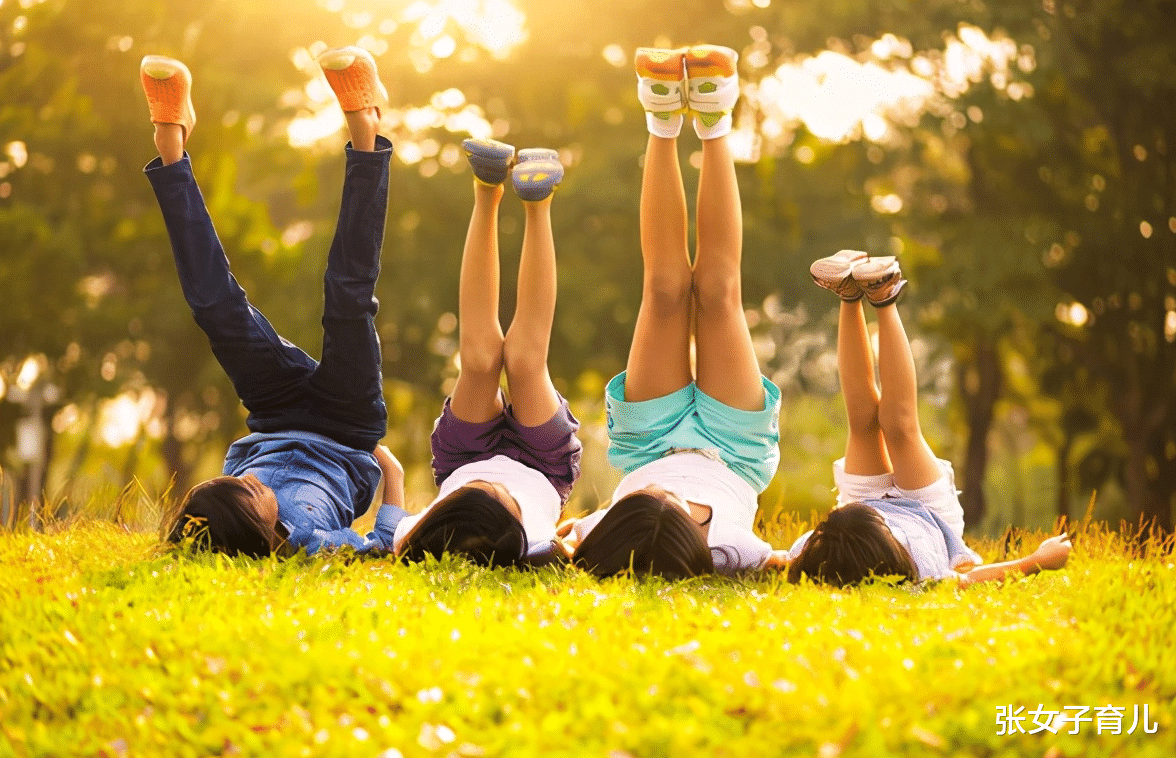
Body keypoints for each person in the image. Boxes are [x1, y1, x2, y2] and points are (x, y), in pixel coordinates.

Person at [147, 47, 407, 556]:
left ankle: (171, 146)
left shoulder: (214, 522)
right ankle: (367, 133)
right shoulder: (308, 544)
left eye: (238, 484)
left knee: (216, 310)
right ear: (260, 524)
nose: (250, 482)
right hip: (349, 425)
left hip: (273, 413)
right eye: (249, 492)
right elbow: (380, 545)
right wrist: (391, 471)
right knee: (347, 299)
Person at [563, 45, 786, 578]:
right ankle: (714, 119)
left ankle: (662, 118)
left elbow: (547, 541)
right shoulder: (732, 549)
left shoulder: (602, 533)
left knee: (664, 290)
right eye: (677, 509)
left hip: (648, 444)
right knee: (717, 291)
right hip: (735, 451)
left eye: (651, 502)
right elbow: (788, 560)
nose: (670, 497)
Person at [785, 250, 1072, 586]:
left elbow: (769, 560)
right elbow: (973, 579)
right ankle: (881, 297)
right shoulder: (922, 572)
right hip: (927, 513)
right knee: (898, 427)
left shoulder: (813, 554)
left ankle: (851, 294)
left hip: (856, 516)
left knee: (863, 422)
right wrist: (1037, 561)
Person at [391, 139, 582, 567]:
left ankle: (487, 186)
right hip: (543, 463)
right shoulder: (532, 544)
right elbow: (573, 546)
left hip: (464, 456)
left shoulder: (416, 535)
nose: (490, 491)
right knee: (525, 361)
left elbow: (390, 532)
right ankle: (538, 201)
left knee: (478, 360)